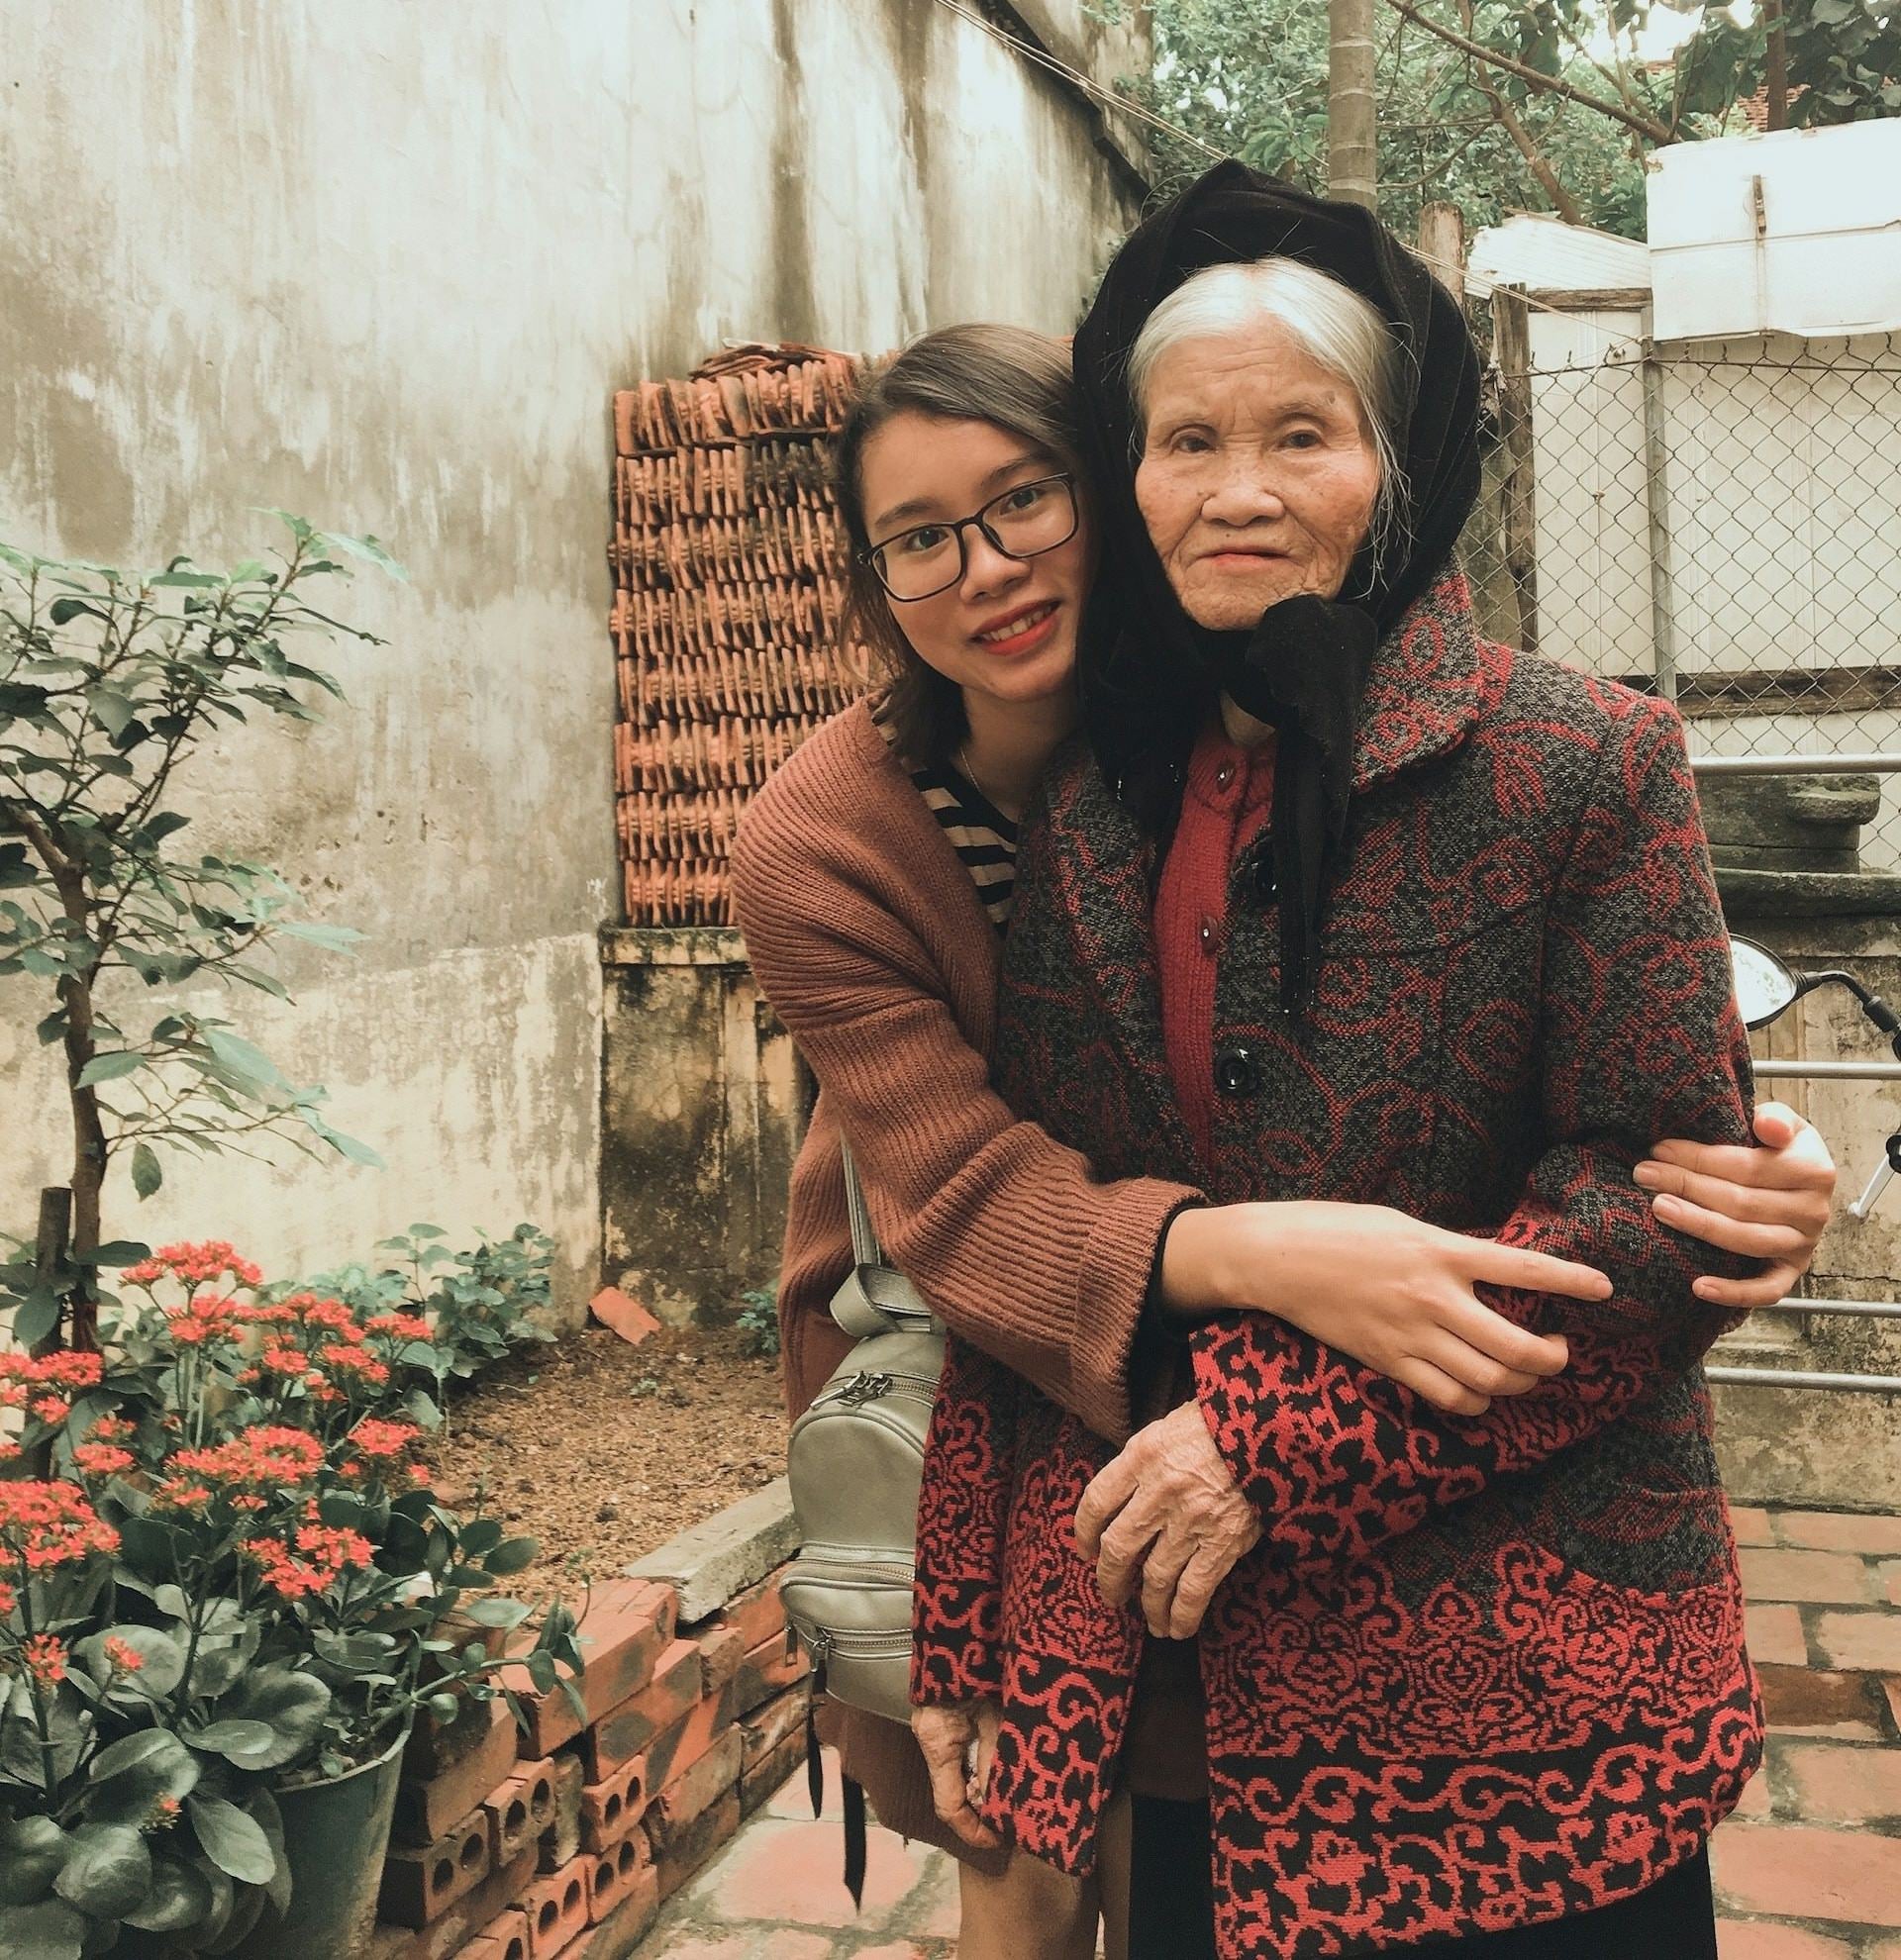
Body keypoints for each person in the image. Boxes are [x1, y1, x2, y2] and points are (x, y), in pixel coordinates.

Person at [730, 317, 1835, 1957]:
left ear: (1114, 488)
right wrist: (1273, 1254)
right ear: (872, 581)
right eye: (918, 539)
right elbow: (958, 1197)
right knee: (1008, 1844)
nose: (986, 568)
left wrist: (1721, 1171)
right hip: (964, 1346)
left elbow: (1544, 1081)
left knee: (1160, 1781)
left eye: (1028, 499)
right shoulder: (828, 837)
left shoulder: (1282, 735)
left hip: (1270, 1405)